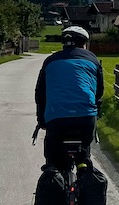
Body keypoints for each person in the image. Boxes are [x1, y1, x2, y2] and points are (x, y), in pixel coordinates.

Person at [35, 25, 104, 171]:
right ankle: (83, 166)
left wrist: (41, 120)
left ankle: (53, 171)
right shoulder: (93, 59)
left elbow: (40, 94)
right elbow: (99, 92)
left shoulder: (50, 61)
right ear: (84, 43)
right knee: (84, 151)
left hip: (56, 118)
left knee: (53, 158)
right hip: (86, 117)